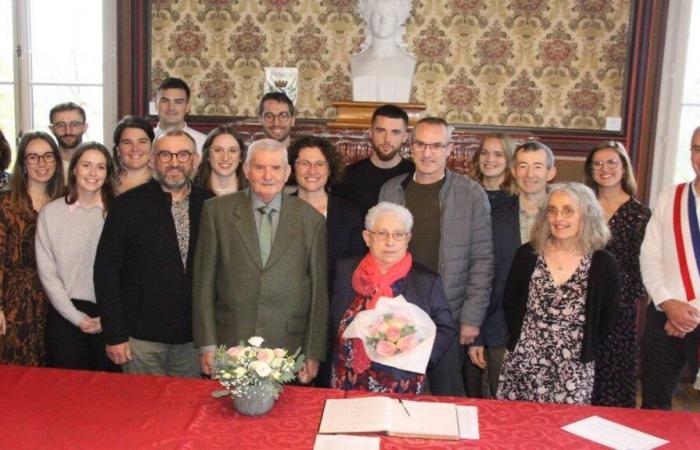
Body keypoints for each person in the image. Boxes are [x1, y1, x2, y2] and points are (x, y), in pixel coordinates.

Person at [193, 139, 328, 385]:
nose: (268, 176)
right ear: (246, 170)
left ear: (287, 172)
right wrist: (207, 343)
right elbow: (204, 283)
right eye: (259, 167)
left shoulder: (311, 220)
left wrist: (313, 351)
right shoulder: (217, 212)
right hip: (230, 342)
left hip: (289, 347)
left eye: (276, 168)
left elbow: (319, 292)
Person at [380, 117, 494, 396]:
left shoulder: (471, 194)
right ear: (411, 146)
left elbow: (483, 260)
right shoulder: (392, 190)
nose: (427, 153)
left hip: (449, 315)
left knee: (445, 396)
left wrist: (471, 318)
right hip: (398, 314)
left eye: (436, 145)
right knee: (399, 394)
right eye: (421, 144)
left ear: (449, 149)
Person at [94, 129, 213, 377]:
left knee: (185, 411)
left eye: (182, 154)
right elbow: (106, 273)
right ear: (152, 159)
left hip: (193, 340)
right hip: (140, 340)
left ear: (195, 160)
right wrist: (114, 334)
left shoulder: (211, 205)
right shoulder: (127, 205)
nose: (174, 162)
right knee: (142, 411)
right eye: (165, 155)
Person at [498, 182, 620, 405]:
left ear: (587, 215)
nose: (558, 218)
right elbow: (511, 303)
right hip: (524, 362)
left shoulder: (603, 263)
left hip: (573, 367)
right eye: (552, 210)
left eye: (568, 211)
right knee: (516, 429)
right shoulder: (527, 254)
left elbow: (608, 318)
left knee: (565, 435)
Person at [330, 202, 457, 393]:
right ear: (367, 237)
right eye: (382, 234)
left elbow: (446, 328)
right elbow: (331, 317)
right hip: (347, 380)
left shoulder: (426, 281)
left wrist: (418, 357)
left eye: (398, 234)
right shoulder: (346, 270)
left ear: (408, 239)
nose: (390, 242)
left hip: (402, 383)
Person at [465, 140, 556, 398]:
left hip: (554, 334)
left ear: (550, 172)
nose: (530, 174)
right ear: (513, 171)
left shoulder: (564, 217)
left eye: (537, 167)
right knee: (501, 409)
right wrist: (478, 334)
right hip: (501, 330)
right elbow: (482, 276)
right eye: (523, 166)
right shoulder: (494, 216)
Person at [36, 142, 119, 372]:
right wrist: (76, 318)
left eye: (100, 167)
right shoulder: (50, 214)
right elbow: (48, 274)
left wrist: (108, 319)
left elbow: (131, 271)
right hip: (64, 317)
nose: (93, 173)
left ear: (108, 173)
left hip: (110, 317)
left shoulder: (119, 214)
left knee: (107, 397)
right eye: (86, 165)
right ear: (74, 169)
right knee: (66, 396)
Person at [583, 141, 651, 407]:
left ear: (624, 168)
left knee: (613, 374)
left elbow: (643, 267)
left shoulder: (640, 214)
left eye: (612, 162)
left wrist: (616, 299)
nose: (605, 169)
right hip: (579, 305)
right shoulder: (582, 209)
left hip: (619, 310)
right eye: (597, 164)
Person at [640, 126, 700, 410]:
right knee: (654, 403)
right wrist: (668, 304)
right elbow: (650, 255)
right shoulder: (671, 197)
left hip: (687, 315)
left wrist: (689, 313)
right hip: (664, 317)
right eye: (697, 149)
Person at [0, 131, 65, 366]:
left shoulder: (66, 200)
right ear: (23, 163)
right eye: (33, 157)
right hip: (14, 299)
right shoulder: (6, 203)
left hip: (56, 298)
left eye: (48, 156)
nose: (42, 163)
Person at [287, 135, 366, 287]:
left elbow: (355, 266)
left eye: (320, 164)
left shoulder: (349, 213)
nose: (312, 170)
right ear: (292, 167)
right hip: (287, 300)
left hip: (333, 300)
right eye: (304, 163)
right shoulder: (280, 209)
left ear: (329, 169)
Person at [333, 104, 414, 218]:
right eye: (381, 131)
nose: (387, 139)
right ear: (371, 132)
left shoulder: (415, 175)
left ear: (405, 136)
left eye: (395, 132)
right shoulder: (347, 177)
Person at [351, 0, 416, 102]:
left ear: (398, 21)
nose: (383, 21)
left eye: (390, 16)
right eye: (377, 15)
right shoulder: (356, 61)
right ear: (368, 19)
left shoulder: (409, 62)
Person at [153, 77, 207, 153]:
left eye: (178, 102)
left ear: (188, 107)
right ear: (156, 105)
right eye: (165, 101)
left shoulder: (204, 144)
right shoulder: (142, 143)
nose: (171, 108)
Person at [193, 124, 247, 195]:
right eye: (218, 150)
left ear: (241, 156)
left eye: (232, 151)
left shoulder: (254, 193)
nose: (225, 158)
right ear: (208, 155)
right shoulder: (191, 192)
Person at [468, 134, 517, 207]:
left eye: (498, 154)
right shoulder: (465, 191)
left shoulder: (519, 197)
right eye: (484, 153)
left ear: (509, 159)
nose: (489, 159)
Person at [112, 116, 155, 194]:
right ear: (118, 149)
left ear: (151, 147)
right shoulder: (105, 184)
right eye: (127, 142)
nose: (135, 149)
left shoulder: (165, 183)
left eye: (142, 142)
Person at [48, 102, 88, 181]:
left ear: (85, 127)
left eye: (75, 124)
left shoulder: (98, 166)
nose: (68, 131)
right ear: (52, 129)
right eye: (61, 125)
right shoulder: (44, 167)